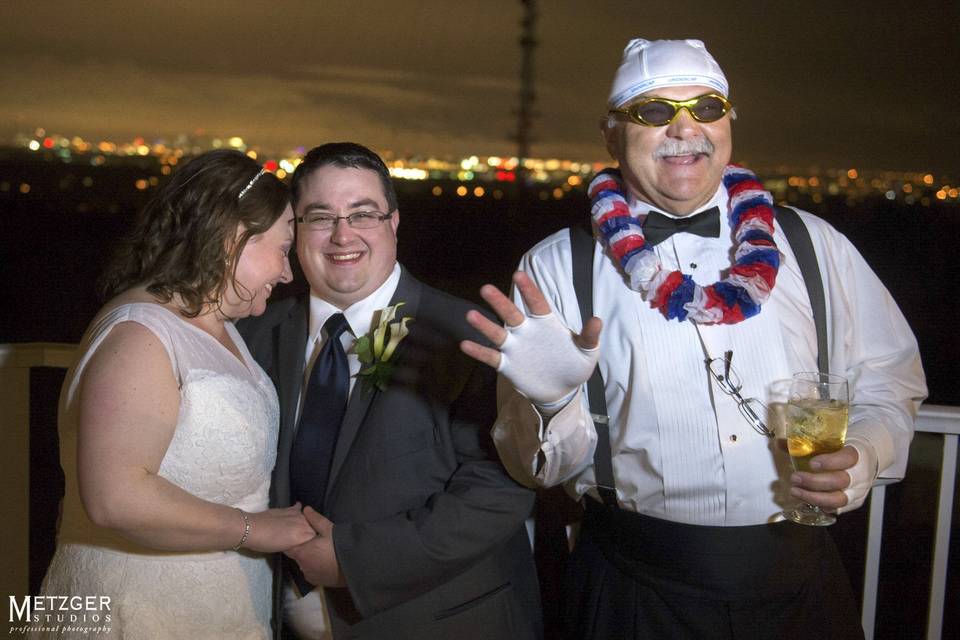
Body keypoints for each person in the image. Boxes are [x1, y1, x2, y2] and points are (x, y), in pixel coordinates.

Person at [461, 39, 927, 639]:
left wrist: (862, 452)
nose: (685, 128)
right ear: (611, 135)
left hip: (802, 583)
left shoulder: (813, 244)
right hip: (634, 586)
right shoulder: (556, 268)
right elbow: (536, 471)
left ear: (729, 123)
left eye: (706, 108)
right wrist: (548, 405)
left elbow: (890, 379)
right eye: (654, 112)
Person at [238, 142, 541, 640]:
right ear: (294, 231)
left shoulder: (466, 337)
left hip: (438, 623)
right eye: (320, 217)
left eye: (363, 214)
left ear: (393, 224)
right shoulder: (255, 333)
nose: (342, 235)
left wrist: (355, 562)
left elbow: (502, 488)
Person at [40, 149, 317, 639]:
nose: (287, 272)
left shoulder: (220, 327)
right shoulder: (139, 333)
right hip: (133, 610)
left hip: (216, 609)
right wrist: (255, 530)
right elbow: (114, 498)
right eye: (282, 248)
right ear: (233, 238)